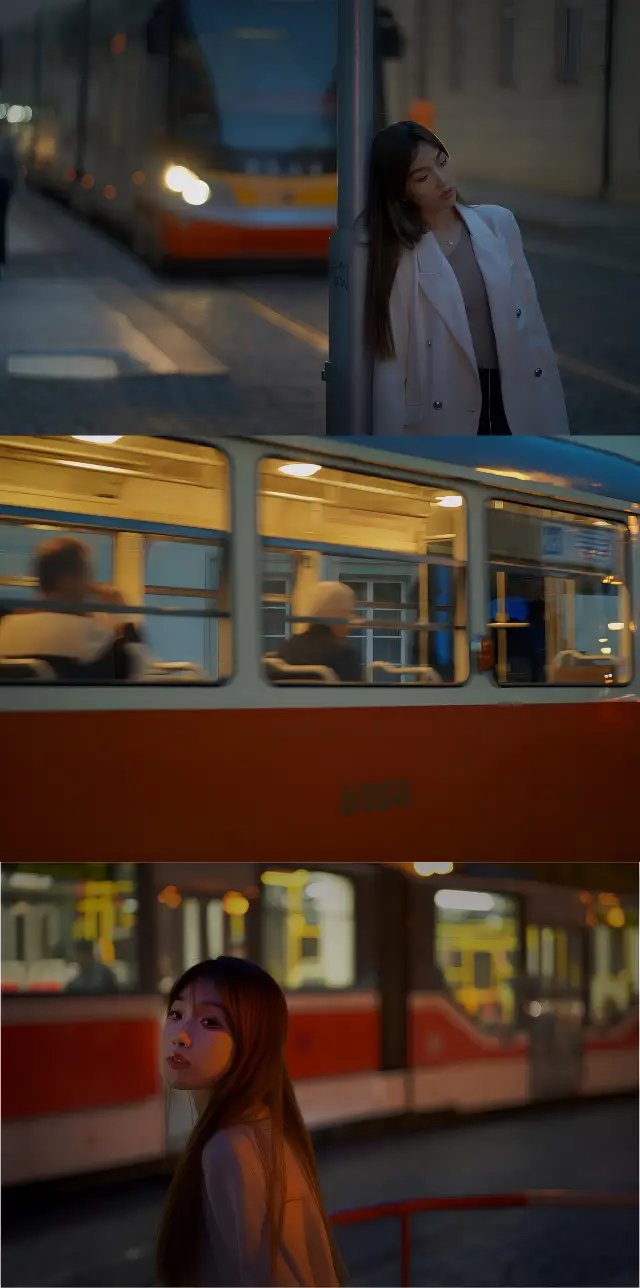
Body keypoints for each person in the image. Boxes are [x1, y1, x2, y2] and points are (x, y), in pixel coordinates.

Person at [367, 120, 569, 437]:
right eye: (422, 176)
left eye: (443, 162)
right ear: (399, 189)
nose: (441, 179)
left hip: (513, 398)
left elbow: (532, 328)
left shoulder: (498, 223)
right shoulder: (399, 255)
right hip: (445, 410)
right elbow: (391, 362)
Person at [157, 956, 344, 1288]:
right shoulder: (261, 1131)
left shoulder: (229, 1150)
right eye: (176, 1014)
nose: (180, 1036)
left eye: (210, 1022)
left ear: (252, 1043)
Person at [0, 537, 151, 680]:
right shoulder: (88, 632)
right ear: (68, 579)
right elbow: (137, 668)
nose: (90, 584)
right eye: (87, 575)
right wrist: (121, 615)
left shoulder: (8, 624)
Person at [273, 582, 362, 682]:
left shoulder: (287, 647)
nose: (350, 621)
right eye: (349, 613)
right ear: (337, 614)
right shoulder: (345, 655)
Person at [0, 121, 19, 277]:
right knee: (1, 221)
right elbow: (14, 166)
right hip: (5, 185)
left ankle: (1, 256)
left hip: (3, 185)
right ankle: (1, 257)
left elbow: (13, 167)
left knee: (1, 221)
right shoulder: (9, 144)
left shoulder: (8, 144)